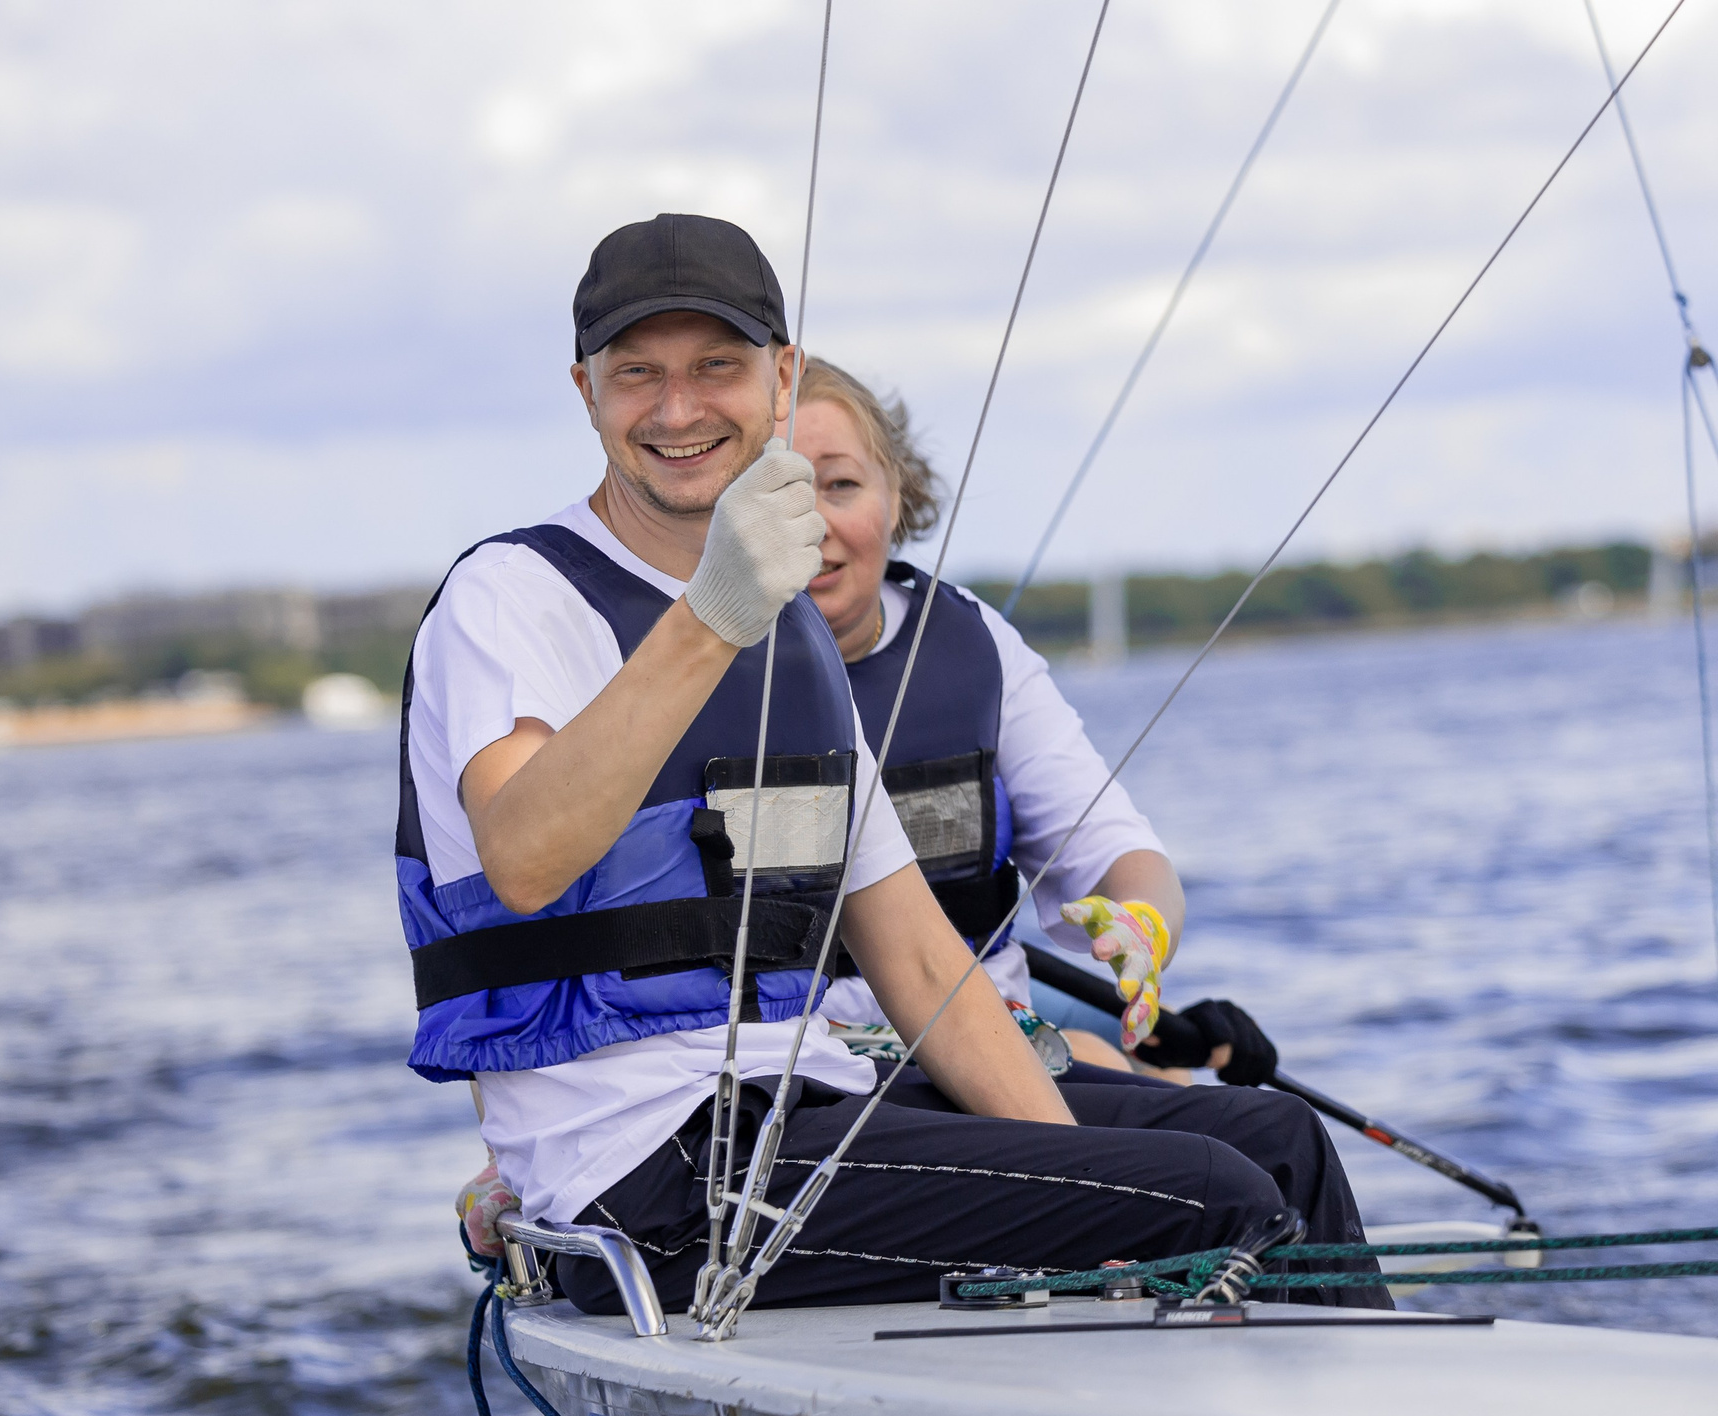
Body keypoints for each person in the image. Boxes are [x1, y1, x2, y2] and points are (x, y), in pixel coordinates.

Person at [413, 213, 1382, 1312]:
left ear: (780, 381)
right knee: (1211, 1193)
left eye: (715, 367)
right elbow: (523, 859)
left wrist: (1079, 1175)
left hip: (804, 1102)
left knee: (1274, 1141)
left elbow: (922, 966)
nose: (677, 410)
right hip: (643, 1166)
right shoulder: (510, 596)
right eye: (637, 373)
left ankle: (1369, 1415)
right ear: (585, 389)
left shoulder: (793, 640)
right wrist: (711, 615)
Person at [788, 357, 1280, 1084]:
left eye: (840, 485)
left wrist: (1142, 924)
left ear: (896, 493)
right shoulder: (697, 665)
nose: (814, 523)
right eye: (780, 494)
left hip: (989, 1021)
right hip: (800, 1055)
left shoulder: (978, 649)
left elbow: (1117, 852)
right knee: (1101, 1065)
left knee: (1177, 1082)